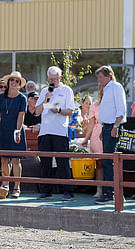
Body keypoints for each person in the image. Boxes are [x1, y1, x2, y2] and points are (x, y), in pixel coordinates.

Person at [35, 66, 75, 201]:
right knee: (45, 162)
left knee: (62, 162)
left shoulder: (67, 90)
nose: (53, 82)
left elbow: (70, 111)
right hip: (45, 131)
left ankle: (68, 191)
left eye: (55, 79)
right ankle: (46, 191)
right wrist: (46, 99)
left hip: (59, 131)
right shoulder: (44, 91)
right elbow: (37, 112)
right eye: (51, 79)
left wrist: (58, 110)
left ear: (60, 78)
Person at [0, 71, 27, 198]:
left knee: (16, 160)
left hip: (15, 131)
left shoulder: (22, 98)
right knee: (4, 159)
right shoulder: (0, 97)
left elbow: (21, 116)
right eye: (12, 80)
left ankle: (16, 188)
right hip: (3, 130)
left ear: (19, 84)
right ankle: (5, 186)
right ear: (8, 82)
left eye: (17, 81)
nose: (14, 83)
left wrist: (18, 132)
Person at [95, 66, 126, 204]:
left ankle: (111, 193)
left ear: (109, 76)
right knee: (107, 160)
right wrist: (104, 128)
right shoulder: (106, 88)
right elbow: (108, 110)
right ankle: (110, 193)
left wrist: (115, 127)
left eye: (101, 77)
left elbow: (121, 109)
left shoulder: (116, 87)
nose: (99, 79)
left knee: (110, 160)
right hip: (107, 127)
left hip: (113, 126)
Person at [81, 95, 104, 198]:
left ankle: (111, 190)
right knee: (98, 163)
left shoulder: (112, 102)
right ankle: (99, 190)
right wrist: (86, 139)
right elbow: (91, 123)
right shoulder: (94, 105)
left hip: (109, 133)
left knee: (110, 163)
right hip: (96, 135)